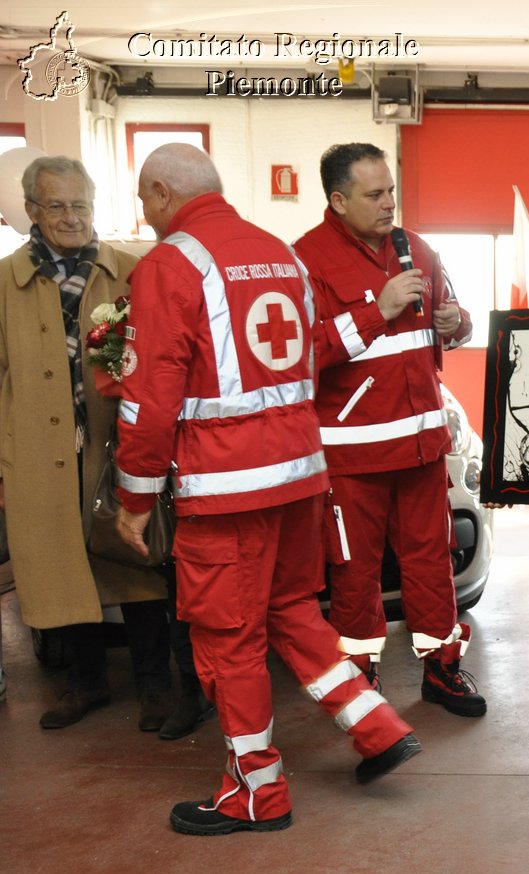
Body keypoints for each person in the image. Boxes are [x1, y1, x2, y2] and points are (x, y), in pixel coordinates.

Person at [114, 144, 419, 834]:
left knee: (228, 639)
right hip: (299, 474)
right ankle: (375, 724)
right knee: (291, 611)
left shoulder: (169, 264)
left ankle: (257, 790)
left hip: (227, 489)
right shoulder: (280, 253)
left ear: (164, 192)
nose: (146, 214)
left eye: (144, 200)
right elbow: (306, 354)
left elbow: (148, 401)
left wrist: (134, 498)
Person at [294, 143, 485, 718]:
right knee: (355, 573)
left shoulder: (416, 248)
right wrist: (377, 310)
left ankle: (442, 672)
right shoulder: (305, 260)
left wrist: (456, 324)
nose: (388, 204)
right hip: (354, 458)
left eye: (391, 191)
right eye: (374, 195)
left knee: (433, 563)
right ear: (337, 199)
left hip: (425, 447)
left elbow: (449, 321)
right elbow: (304, 355)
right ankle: (360, 684)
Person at [0, 155, 175, 733]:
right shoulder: (5, 284)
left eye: (81, 205)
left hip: (114, 447)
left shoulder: (127, 273)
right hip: (36, 451)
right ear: (31, 210)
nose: (72, 218)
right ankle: (86, 683)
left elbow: (146, 366)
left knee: (136, 562)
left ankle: (155, 687)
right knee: (61, 565)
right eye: (57, 205)